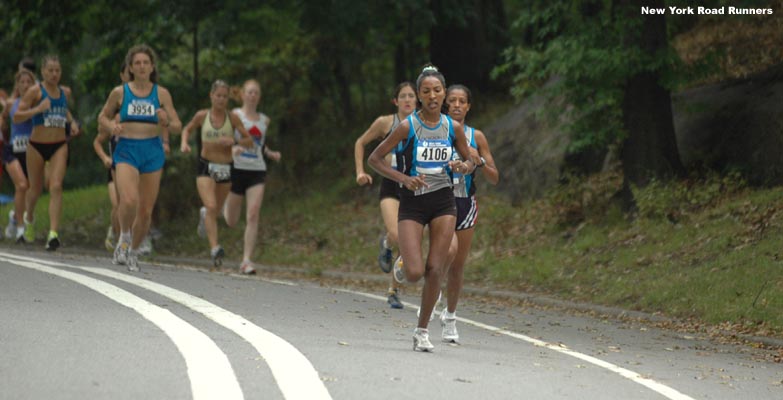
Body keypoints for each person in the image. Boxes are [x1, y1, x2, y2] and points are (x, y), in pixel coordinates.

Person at [368, 65, 478, 352]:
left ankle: (422, 331)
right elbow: (375, 159)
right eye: (426, 91)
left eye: (437, 91)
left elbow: (470, 161)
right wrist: (404, 179)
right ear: (418, 95)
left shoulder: (453, 128)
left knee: (435, 269)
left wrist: (461, 165)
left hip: (443, 201)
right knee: (415, 272)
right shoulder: (408, 127)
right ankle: (403, 265)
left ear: (443, 94)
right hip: (413, 203)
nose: (432, 96)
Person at [98, 44, 181, 271]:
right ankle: (124, 236)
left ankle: (133, 251)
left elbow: (177, 126)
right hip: (126, 150)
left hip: (152, 151)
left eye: (146, 63)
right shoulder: (120, 92)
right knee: (129, 200)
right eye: (137, 63)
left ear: (152, 66)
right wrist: (112, 125)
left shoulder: (161, 93)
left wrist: (166, 121)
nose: (142, 67)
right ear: (131, 68)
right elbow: (102, 118)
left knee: (145, 211)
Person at [439, 84, 499, 343]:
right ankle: (431, 295)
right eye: (452, 100)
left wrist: (479, 160)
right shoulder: (435, 132)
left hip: (466, 203)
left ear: (468, 106)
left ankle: (450, 317)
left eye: (462, 101)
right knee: (446, 252)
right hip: (439, 200)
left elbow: (495, 177)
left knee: (457, 265)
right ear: (445, 104)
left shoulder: (478, 136)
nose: (456, 105)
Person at [354, 81, 416, 309]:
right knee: (397, 234)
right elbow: (360, 142)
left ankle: (393, 290)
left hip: (413, 188)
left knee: (409, 242)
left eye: (411, 96)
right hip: (391, 187)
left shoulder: (423, 123)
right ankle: (387, 242)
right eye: (403, 96)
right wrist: (360, 171)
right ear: (395, 101)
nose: (408, 100)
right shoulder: (385, 123)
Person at [181, 80, 253, 267]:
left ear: (228, 98)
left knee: (216, 210)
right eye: (218, 95)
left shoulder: (232, 118)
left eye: (224, 96)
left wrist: (234, 141)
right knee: (212, 206)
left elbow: (249, 140)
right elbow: (187, 129)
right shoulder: (202, 116)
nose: (221, 99)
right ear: (211, 96)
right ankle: (215, 248)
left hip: (226, 168)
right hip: (206, 167)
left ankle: (205, 215)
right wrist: (184, 143)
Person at [12, 55, 80, 250]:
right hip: (36, 146)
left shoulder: (64, 92)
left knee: (56, 186)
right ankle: (29, 218)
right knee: (35, 189)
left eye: (57, 70)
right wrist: (38, 109)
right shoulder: (35, 91)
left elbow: (64, 110)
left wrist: (72, 122)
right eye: (50, 70)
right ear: (42, 72)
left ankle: (53, 233)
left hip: (59, 144)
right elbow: (17, 116)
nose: (54, 74)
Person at [222, 79, 281, 274]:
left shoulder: (264, 120)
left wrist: (270, 153)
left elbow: (259, 143)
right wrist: (233, 148)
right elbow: (223, 138)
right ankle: (218, 208)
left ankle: (246, 260)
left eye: (256, 92)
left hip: (257, 169)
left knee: (253, 213)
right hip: (237, 169)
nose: (253, 95)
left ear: (259, 97)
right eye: (249, 92)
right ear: (242, 95)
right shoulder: (234, 115)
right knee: (231, 220)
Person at [93, 61, 130, 251]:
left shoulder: (148, 104)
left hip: (136, 163)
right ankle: (116, 236)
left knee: (133, 202)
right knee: (118, 203)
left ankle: (130, 239)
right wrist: (105, 158)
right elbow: (98, 140)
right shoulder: (114, 109)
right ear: (122, 76)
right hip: (115, 164)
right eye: (128, 73)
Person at [1, 69, 36, 242]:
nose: (25, 85)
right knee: (21, 185)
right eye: (22, 82)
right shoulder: (10, 103)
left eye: (28, 82)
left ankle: (15, 216)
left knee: (31, 189)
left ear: (33, 85)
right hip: (12, 150)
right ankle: (21, 229)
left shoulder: (37, 102)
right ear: (17, 85)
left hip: (31, 151)